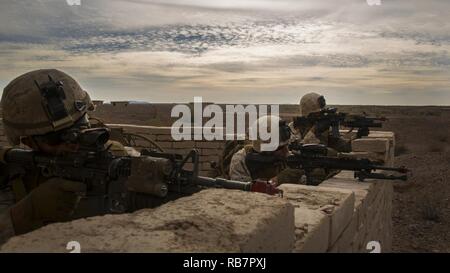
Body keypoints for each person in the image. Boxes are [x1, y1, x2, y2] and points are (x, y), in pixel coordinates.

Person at [0, 69, 133, 244]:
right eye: (56, 137)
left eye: (81, 126)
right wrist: (24, 214)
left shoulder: (114, 156)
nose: (73, 142)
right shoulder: (11, 176)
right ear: (29, 142)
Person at [278, 92, 353, 185]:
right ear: (308, 114)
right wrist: (314, 131)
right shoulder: (293, 128)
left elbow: (342, 147)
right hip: (298, 168)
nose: (320, 116)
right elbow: (297, 151)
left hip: (319, 167)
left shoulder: (323, 129)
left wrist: (356, 139)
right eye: (318, 114)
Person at [228, 115, 291, 183]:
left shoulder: (285, 159)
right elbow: (242, 191)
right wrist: (277, 180)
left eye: (287, 145)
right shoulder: (240, 160)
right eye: (280, 148)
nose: (287, 152)